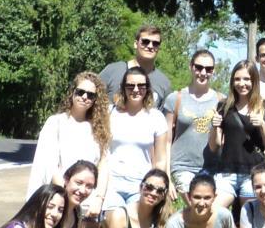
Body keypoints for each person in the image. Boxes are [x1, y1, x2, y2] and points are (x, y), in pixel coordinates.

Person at [26, 73, 111, 204]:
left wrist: (99, 199)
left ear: (95, 99)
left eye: (90, 95)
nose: (84, 97)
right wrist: (67, 197)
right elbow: (49, 164)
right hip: (59, 199)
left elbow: (103, 165)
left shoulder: (99, 129)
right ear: (72, 92)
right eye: (80, 92)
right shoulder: (56, 123)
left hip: (88, 200)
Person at [209, 60, 265, 210]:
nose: (242, 83)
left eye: (247, 79)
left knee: (248, 217)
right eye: (237, 79)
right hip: (226, 173)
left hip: (253, 174)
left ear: (254, 81)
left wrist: (262, 124)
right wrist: (214, 127)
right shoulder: (224, 106)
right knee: (213, 212)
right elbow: (214, 146)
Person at [104, 64, 170, 211]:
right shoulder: (110, 113)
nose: (135, 90)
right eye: (130, 86)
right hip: (111, 185)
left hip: (141, 187)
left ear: (147, 88)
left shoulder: (156, 117)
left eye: (141, 86)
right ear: (123, 88)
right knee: (116, 217)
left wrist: (158, 187)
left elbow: (160, 159)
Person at [166, 49, 223, 195]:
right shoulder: (175, 98)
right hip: (181, 166)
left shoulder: (221, 100)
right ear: (191, 67)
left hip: (212, 168)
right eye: (199, 67)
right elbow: (166, 141)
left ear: (213, 71)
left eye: (208, 69)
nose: (203, 73)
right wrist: (166, 175)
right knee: (195, 204)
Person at [100, 22, 172, 109]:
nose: (150, 46)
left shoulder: (164, 83)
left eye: (155, 43)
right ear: (135, 44)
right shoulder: (112, 71)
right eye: (145, 41)